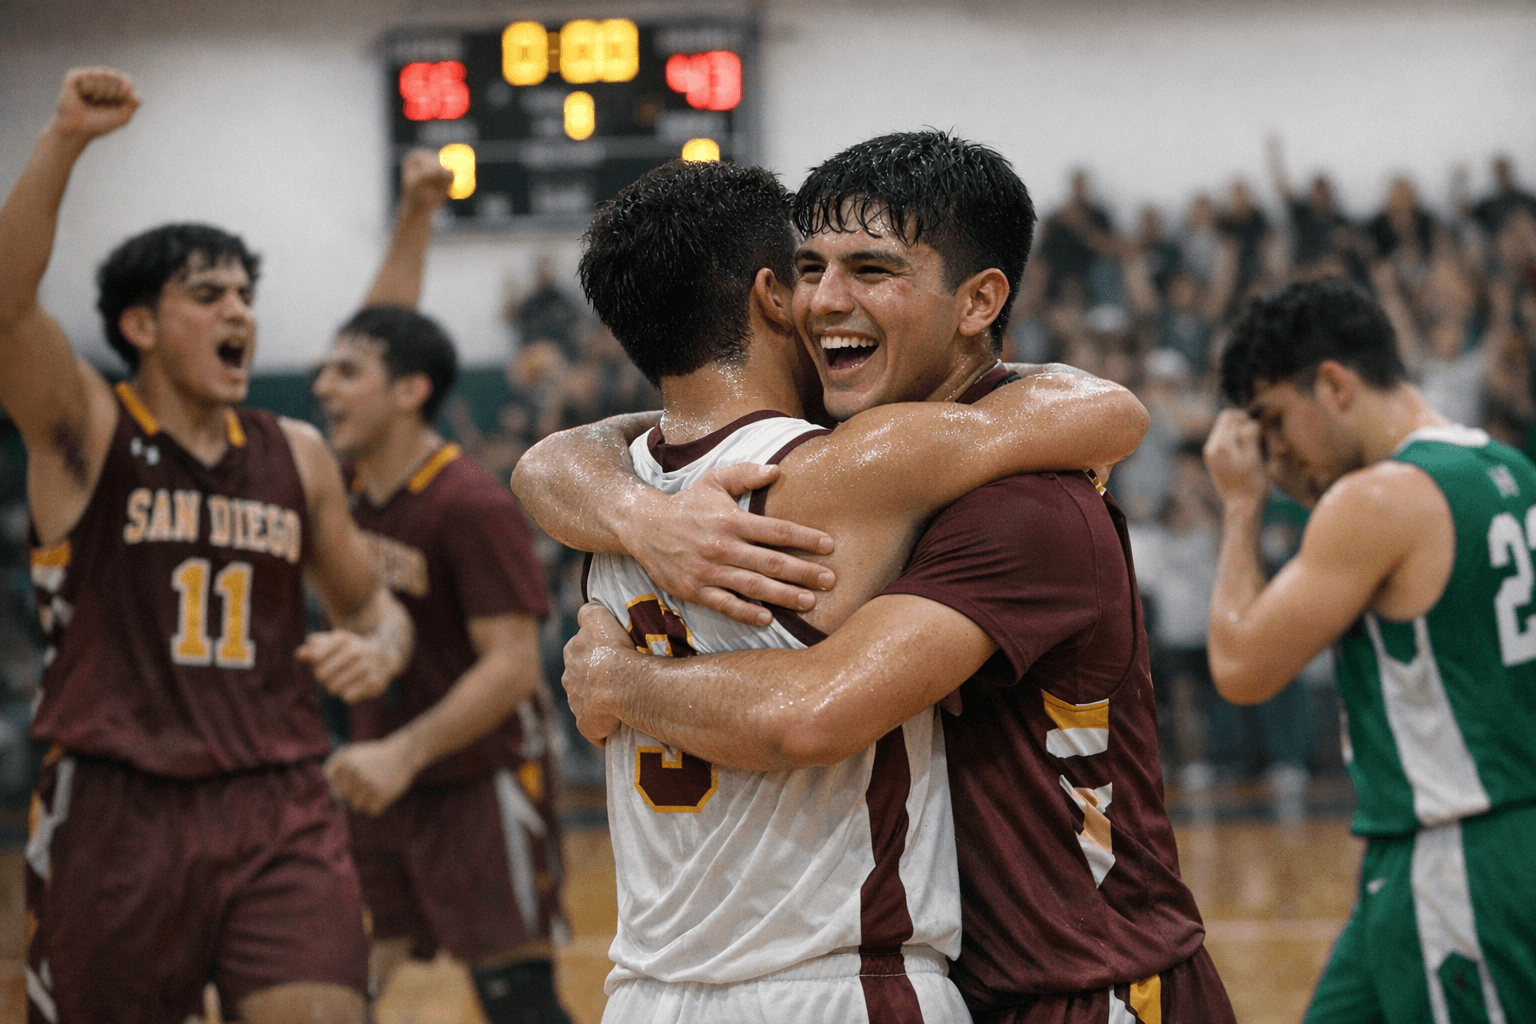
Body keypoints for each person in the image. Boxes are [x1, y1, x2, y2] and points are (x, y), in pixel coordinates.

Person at [527, 131, 1233, 1023]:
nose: (825, 301)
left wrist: (621, 680)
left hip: (1093, 987)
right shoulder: (831, 457)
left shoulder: (1020, 506)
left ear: (979, 301)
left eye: (870, 270)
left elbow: (811, 711)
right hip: (962, 983)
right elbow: (567, 453)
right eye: (811, 267)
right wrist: (643, 514)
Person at [1, 69, 414, 1024]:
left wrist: (379, 648)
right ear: (141, 325)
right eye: (207, 295)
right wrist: (62, 139)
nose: (239, 312)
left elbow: (373, 607)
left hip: (277, 801)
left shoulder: (297, 456)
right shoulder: (87, 430)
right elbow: (12, 311)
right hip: (116, 808)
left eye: (245, 293)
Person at [1202, 278, 1536, 1022]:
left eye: (1277, 421)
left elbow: (1241, 667)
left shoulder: (1379, 500)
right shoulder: (1509, 470)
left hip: (1458, 854)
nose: (1276, 450)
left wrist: (1240, 503)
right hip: (1456, 840)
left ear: (1334, 384)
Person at [312, 151, 573, 1023]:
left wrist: (401, 751)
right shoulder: (343, 486)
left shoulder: (468, 504)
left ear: (409, 393)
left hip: (476, 773)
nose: (325, 387)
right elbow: (384, 327)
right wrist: (418, 212)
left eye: (346, 375)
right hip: (383, 771)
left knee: (516, 998)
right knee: (343, 982)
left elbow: (510, 668)